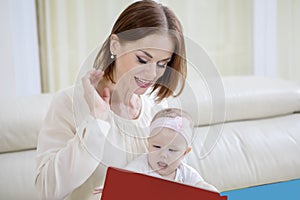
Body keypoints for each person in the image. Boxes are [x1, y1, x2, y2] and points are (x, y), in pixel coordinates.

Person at [35, 0, 187, 200]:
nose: (152, 73)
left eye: (162, 64)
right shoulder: (68, 103)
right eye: (142, 59)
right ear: (115, 45)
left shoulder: (156, 106)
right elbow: (46, 190)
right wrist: (97, 123)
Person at [123, 108, 218, 192]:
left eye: (172, 150)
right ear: (149, 144)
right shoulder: (140, 168)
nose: (163, 154)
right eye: (156, 146)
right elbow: (123, 183)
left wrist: (210, 191)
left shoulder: (185, 172)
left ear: (184, 153)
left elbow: (202, 186)